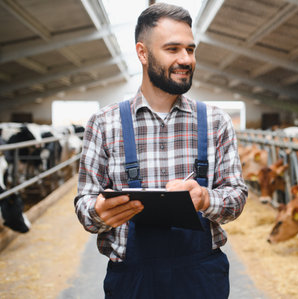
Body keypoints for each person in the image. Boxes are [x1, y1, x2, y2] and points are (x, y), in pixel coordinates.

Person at [74, 3, 248, 298]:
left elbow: (237, 197)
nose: (186, 59)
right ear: (142, 53)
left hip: (201, 277)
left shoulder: (216, 122)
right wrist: (99, 212)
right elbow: (84, 205)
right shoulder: (104, 123)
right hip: (133, 281)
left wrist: (206, 198)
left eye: (190, 50)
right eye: (173, 49)